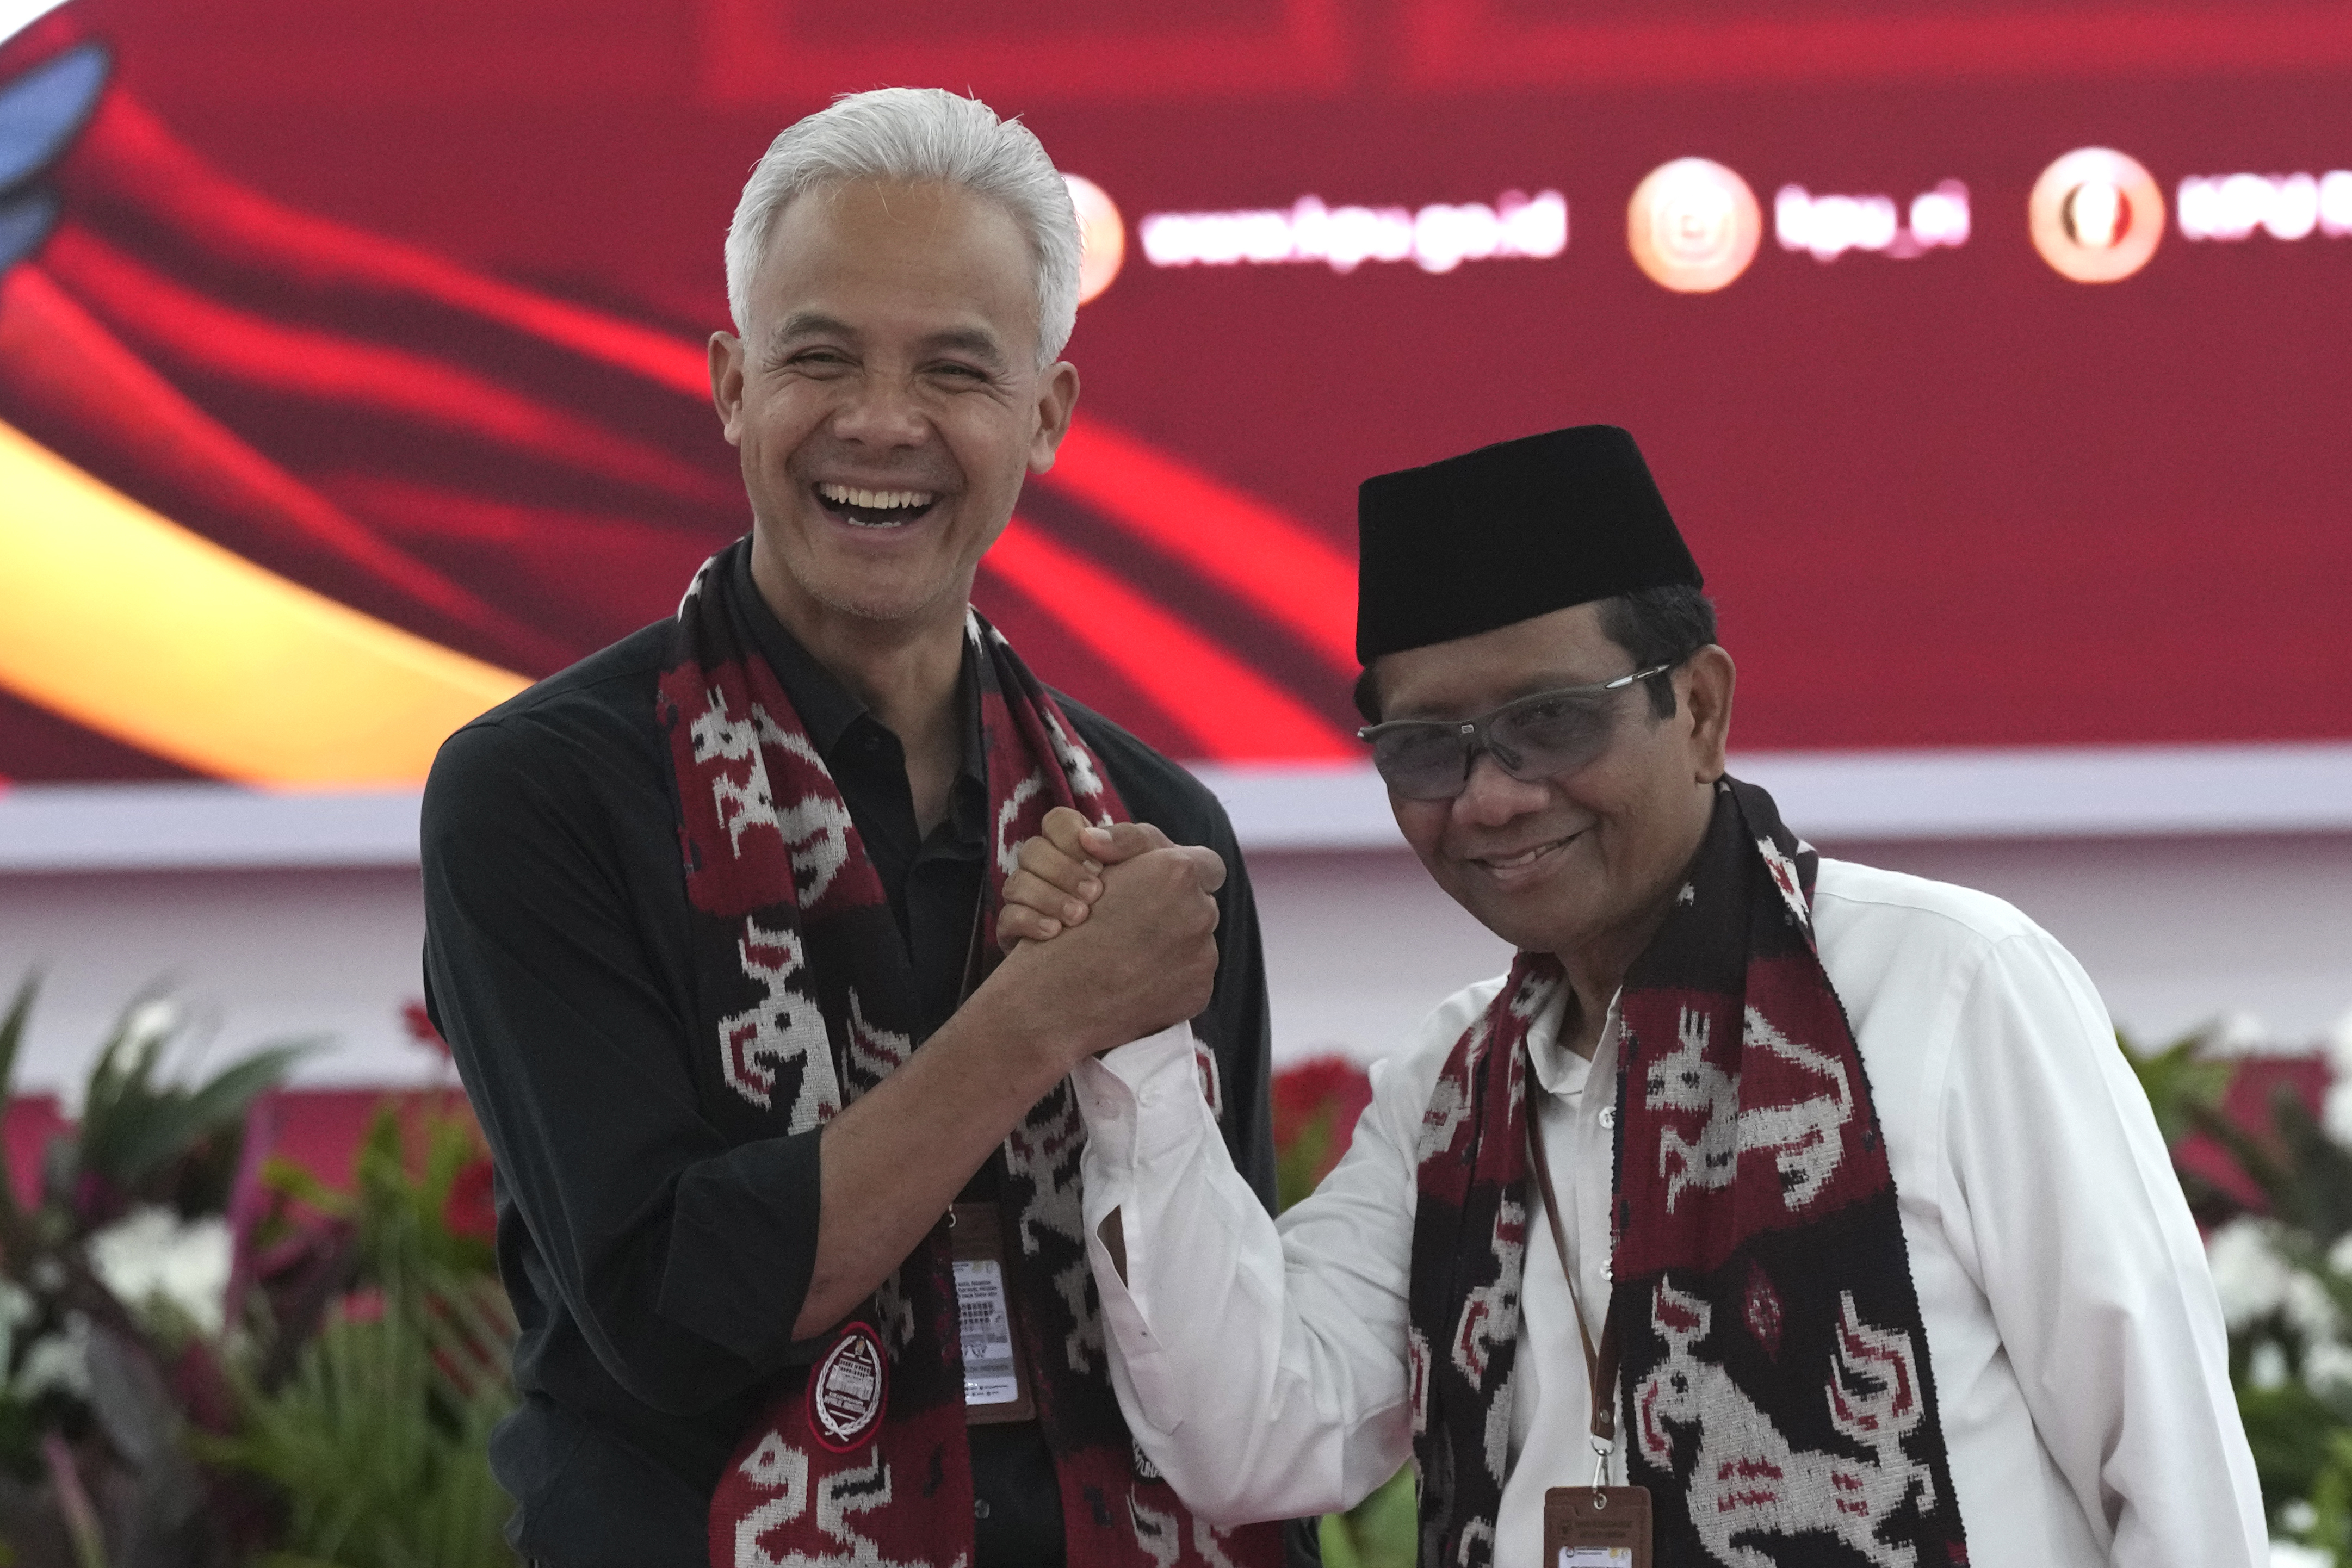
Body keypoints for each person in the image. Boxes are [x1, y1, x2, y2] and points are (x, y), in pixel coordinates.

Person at [999, 426, 2268, 1566]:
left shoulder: (1940, 983)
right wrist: (1136, 1038)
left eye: (1549, 724)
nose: (1490, 796)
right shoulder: (1449, 1087)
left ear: (1699, 708)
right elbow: (1252, 1436)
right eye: (1426, 749)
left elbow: (2166, 1472)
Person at [420, 89, 1301, 1568]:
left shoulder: (1148, 832)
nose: (879, 424)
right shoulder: (544, 792)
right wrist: (1040, 1019)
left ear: (1046, 416)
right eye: (818, 357)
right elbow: (672, 1304)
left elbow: (1233, 1360)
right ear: (729, 387)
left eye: (955, 369)